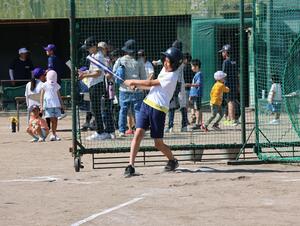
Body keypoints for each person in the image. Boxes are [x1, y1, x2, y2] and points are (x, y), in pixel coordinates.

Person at [123, 47, 182, 176]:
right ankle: (130, 165)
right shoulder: (165, 69)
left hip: (158, 110)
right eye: (165, 60)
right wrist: (137, 86)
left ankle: (172, 160)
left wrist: (133, 81)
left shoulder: (172, 76)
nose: (165, 63)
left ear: (175, 63)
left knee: (158, 143)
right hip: (147, 103)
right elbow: (152, 86)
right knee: (138, 133)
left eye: (168, 61)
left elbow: (150, 83)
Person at [78, 36, 113, 140]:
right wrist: (85, 72)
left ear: (94, 46)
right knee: (95, 109)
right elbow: (93, 70)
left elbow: (98, 73)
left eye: (89, 47)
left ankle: (100, 132)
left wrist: (85, 76)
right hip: (93, 84)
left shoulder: (98, 56)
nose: (87, 49)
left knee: (96, 109)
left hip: (97, 85)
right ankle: (101, 131)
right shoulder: (93, 55)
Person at [113, 39, 147, 137]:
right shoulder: (140, 60)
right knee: (137, 111)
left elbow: (115, 73)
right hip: (137, 89)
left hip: (124, 89)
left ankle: (121, 131)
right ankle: (139, 130)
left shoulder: (120, 60)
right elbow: (143, 77)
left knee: (123, 110)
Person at [40, 70, 64, 141]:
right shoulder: (44, 85)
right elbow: (42, 96)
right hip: (48, 105)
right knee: (51, 120)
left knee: (55, 120)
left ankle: (54, 134)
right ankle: (45, 135)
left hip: (56, 105)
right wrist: (41, 106)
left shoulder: (56, 85)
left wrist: (62, 104)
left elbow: (59, 95)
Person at [98, 41, 116, 138]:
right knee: (103, 110)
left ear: (105, 49)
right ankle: (108, 130)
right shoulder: (98, 58)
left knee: (106, 110)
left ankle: (110, 131)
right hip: (101, 87)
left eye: (102, 49)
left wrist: (103, 74)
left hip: (108, 87)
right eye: (99, 49)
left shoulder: (107, 60)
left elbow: (110, 74)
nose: (100, 51)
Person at [219, 44, 239, 126]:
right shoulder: (234, 61)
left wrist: (221, 84)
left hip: (228, 84)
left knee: (230, 101)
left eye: (223, 52)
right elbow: (237, 73)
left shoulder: (225, 62)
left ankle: (233, 119)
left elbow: (223, 75)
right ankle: (230, 118)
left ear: (226, 52)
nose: (222, 53)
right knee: (232, 101)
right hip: (234, 83)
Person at [187, 59, 204, 130]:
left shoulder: (199, 74)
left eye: (192, 66)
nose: (191, 68)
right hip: (194, 95)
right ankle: (198, 123)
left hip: (197, 95)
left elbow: (198, 84)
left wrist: (189, 84)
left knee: (198, 109)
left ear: (196, 67)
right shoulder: (197, 74)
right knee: (196, 108)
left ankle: (198, 123)